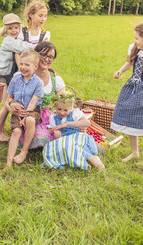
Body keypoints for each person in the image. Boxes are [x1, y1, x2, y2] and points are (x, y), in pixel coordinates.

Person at [0, 13, 37, 141]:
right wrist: (38, 45)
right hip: (1, 74)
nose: (14, 30)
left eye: (16, 27)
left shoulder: (15, 39)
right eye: (10, 28)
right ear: (5, 29)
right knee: (7, 103)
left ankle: (1, 130)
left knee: (8, 103)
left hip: (8, 73)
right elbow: (22, 48)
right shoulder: (8, 40)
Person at [17, 41, 66, 149]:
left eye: (50, 57)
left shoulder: (55, 78)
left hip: (47, 115)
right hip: (29, 115)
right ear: (36, 55)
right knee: (40, 138)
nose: (46, 59)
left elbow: (64, 100)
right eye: (43, 55)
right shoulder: (26, 74)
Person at [42, 93, 105, 171]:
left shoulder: (75, 113)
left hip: (77, 136)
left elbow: (87, 123)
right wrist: (55, 131)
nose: (62, 112)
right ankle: (80, 161)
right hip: (63, 139)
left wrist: (67, 124)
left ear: (71, 108)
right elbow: (50, 130)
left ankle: (90, 158)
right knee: (50, 147)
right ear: (55, 107)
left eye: (65, 110)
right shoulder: (53, 116)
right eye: (59, 109)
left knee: (71, 146)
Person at [5, 50, 44, 167]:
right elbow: (9, 98)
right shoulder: (15, 79)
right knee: (16, 131)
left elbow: (33, 103)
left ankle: (24, 151)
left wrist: (26, 116)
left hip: (32, 110)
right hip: (18, 110)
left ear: (35, 67)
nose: (23, 67)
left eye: (27, 65)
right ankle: (8, 161)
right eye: (21, 64)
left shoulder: (38, 83)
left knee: (30, 120)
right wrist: (12, 105)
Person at [111, 23, 143, 163]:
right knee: (130, 115)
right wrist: (120, 70)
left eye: (137, 38)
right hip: (134, 87)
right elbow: (130, 62)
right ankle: (135, 152)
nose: (135, 41)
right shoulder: (135, 49)